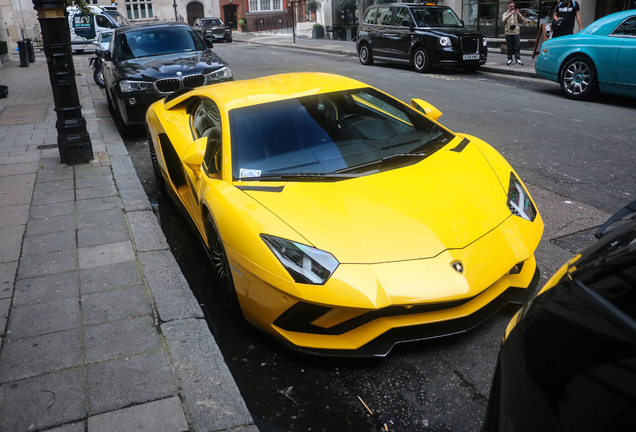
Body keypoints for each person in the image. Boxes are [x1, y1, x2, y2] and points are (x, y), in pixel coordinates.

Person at [502, 1, 525, 66]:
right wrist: (510, 14)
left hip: (516, 32)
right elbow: (503, 20)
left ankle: (518, 59)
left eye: (513, 6)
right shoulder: (505, 13)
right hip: (508, 32)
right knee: (509, 47)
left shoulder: (516, 13)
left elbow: (523, 19)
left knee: (517, 46)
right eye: (511, 6)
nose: (512, 8)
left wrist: (518, 13)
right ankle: (510, 59)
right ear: (508, 6)